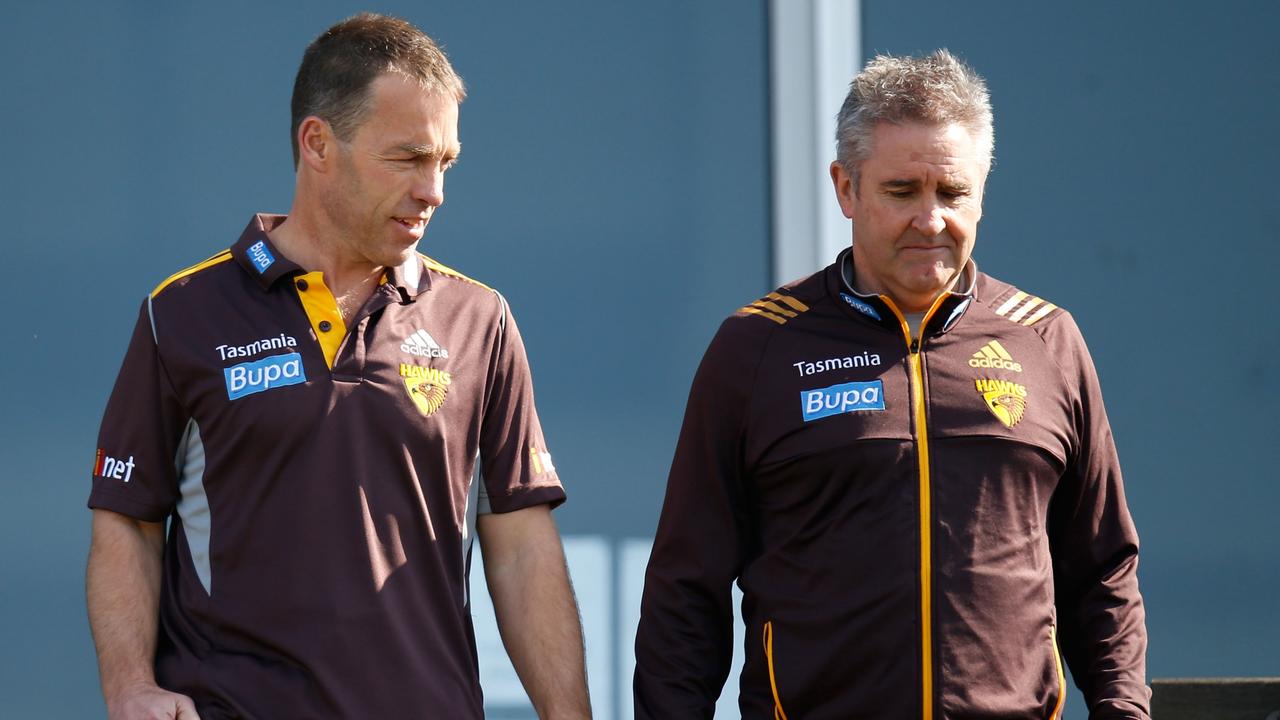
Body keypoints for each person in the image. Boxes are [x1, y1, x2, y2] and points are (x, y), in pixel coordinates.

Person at [86, 14, 591, 720]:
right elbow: (127, 519)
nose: (433, 190)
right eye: (408, 158)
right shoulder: (182, 314)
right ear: (318, 143)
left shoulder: (480, 320)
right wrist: (130, 687)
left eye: (445, 161)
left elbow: (521, 547)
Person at [634, 50, 1148, 719]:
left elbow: (1102, 572)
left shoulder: (1048, 339)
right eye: (902, 191)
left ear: (982, 192)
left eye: (953, 193)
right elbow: (685, 589)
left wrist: (1124, 712)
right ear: (845, 188)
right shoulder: (757, 347)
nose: (930, 220)